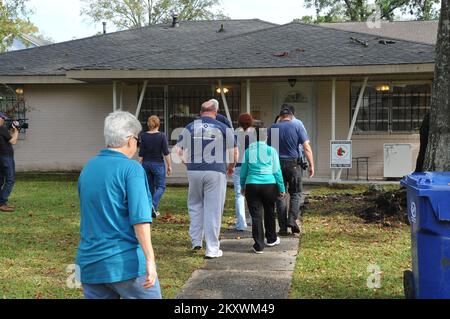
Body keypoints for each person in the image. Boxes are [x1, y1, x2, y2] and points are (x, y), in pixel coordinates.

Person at [76, 111, 161, 299]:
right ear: (130, 140)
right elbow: (140, 220)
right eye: (138, 141)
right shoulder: (132, 169)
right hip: (125, 263)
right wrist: (150, 260)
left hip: (89, 263)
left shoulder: (88, 168)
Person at [176, 99, 238, 259]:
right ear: (216, 112)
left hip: (194, 171)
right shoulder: (223, 127)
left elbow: (178, 151)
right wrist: (231, 166)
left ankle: (196, 241)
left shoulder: (190, 127)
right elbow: (235, 152)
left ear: (201, 111)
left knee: (195, 205)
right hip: (215, 171)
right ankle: (211, 249)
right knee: (213, 209)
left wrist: (187, 164)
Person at [268, 107, 314, 236]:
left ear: (281, 116)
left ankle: (283, 228)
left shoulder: (273, 128)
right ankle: (292, 221)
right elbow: (306, 147)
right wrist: (311, 165)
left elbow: (269, 147)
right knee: (296, 193)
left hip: (277, 164)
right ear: (292, 116)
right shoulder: (297, 126)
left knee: (280, 194)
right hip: (293, 164)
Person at [240, 127, 285, 254]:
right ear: (267, 137)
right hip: (269, 185)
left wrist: (242, 186)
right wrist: (281, 188)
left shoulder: (248, 151)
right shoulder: (271, 151)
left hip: (252, 185)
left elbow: (243, 172)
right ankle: (271, 239)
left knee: (256, 215)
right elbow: (277, 171)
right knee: (270, 211)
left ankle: (259, 245)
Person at [139, 115, 172, 216]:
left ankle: (152, 210)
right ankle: (153, 205)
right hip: (158, 164)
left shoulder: (143, 136)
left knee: (149, 188)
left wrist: (139, 165)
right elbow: (166, 152)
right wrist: (169, 165)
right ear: (158, 124)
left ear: (148, 124)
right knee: (161, 187)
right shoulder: (161, 136)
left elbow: (141, 153)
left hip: (146, 164)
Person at [233, 113, 254, 231]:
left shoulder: (235, 134)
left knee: (239, 195)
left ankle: (241, 223)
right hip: (251, 166)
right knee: (251, 194)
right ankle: (252, 218)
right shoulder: (254, 135)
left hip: (238, 166)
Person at [0, 113, 18, 212]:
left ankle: (1, 203)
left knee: (0, 181)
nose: (3, 120)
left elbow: (6, 139)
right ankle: (2, 203)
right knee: (10, 180)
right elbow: (13, 141)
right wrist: (17, 131)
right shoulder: (1, 128)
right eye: (2, 118)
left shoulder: (2, 130)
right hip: (6, 157)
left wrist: (11, 131)